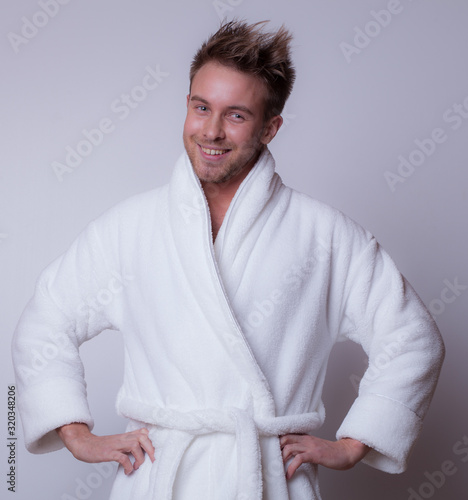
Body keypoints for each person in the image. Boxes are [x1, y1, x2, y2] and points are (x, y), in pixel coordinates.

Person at [11, 20, 445, 500]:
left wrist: (354, 443)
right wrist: (72, 430)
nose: (211, 131)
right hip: (159, 479)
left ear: (270, 127)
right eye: (201, 107)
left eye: (236, 115)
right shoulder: (129, 228)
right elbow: (45, 320)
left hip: (270, 479)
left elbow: (412, 339)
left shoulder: (324, 235)